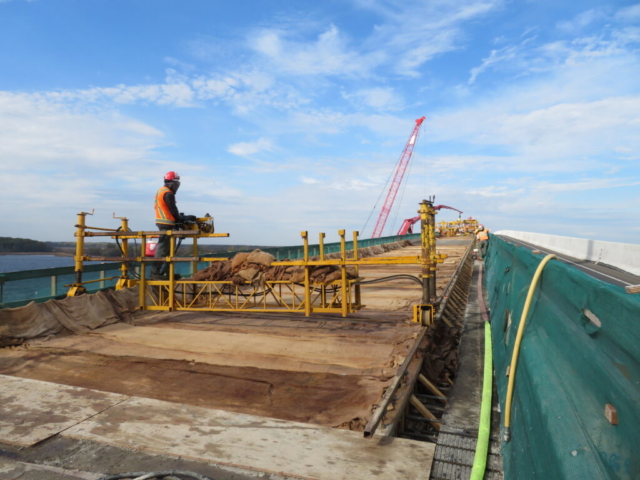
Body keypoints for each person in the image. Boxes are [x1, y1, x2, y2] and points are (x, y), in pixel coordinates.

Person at [151, 171, 182, 280]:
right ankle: (155, 274)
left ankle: (168, 274)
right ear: (172, 183)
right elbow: (173, 209)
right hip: (165, 224)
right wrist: (180, 218)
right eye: (177, 182)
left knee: (169, 250)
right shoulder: (168, 193)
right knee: (163, 249)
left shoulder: (161, 191)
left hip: (165, 223)